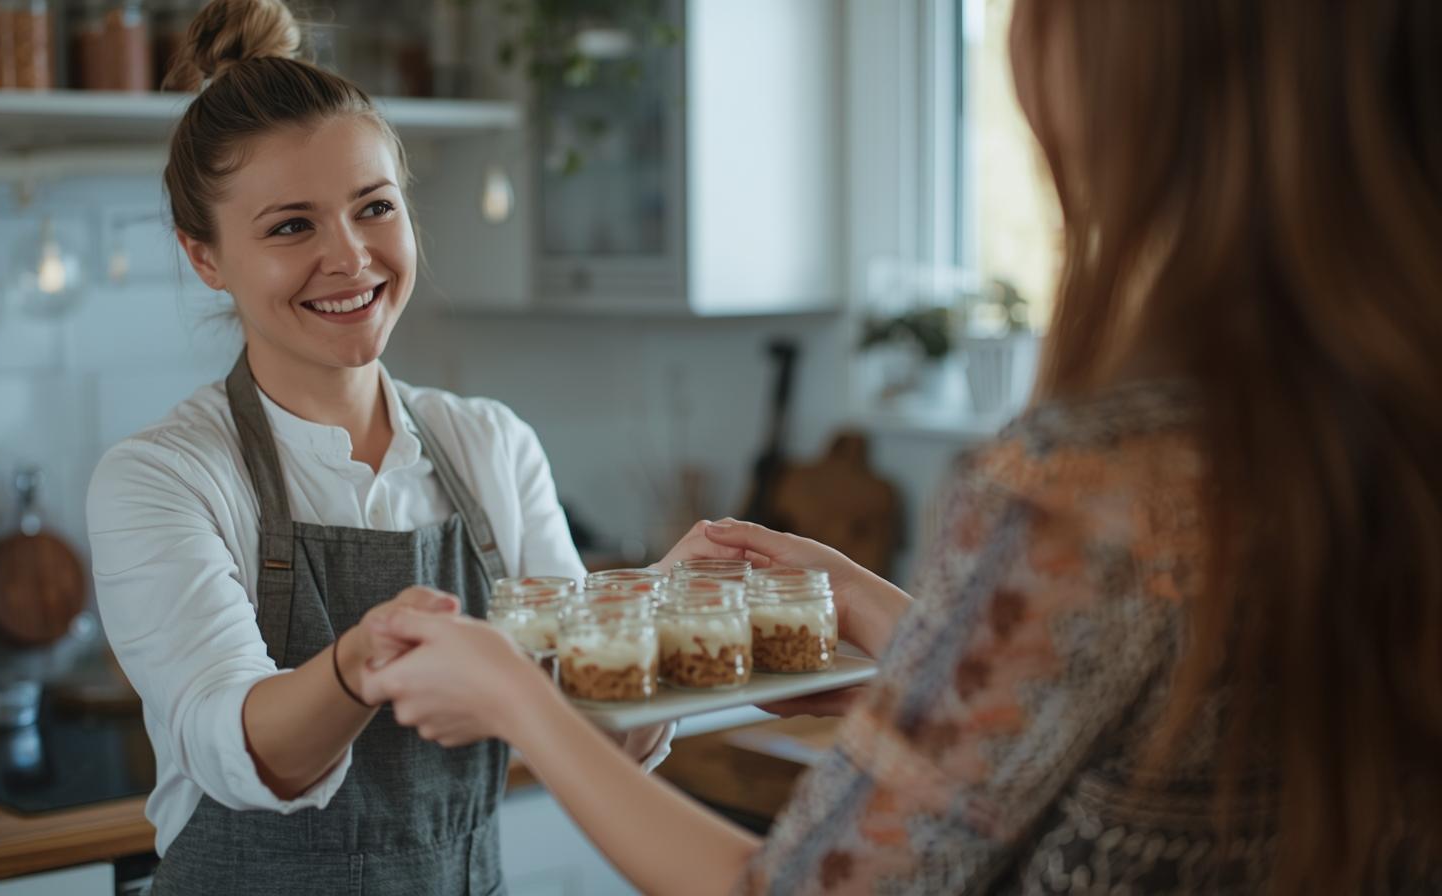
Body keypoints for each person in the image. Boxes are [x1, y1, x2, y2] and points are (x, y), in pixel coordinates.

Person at [361, 1, 1442, 892]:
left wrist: (522, 703)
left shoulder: (1083, 484)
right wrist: (917, 634)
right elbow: (1174, 715)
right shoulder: (1380, 430)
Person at [83, 1, 707, 891]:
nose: (351, 258)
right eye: (291, 226)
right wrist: (358, 660)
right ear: (206, 258)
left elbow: (601, 730)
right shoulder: (163, 478)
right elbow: (236, 743)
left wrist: (645, 639)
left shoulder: (490, 444)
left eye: (373, 207)